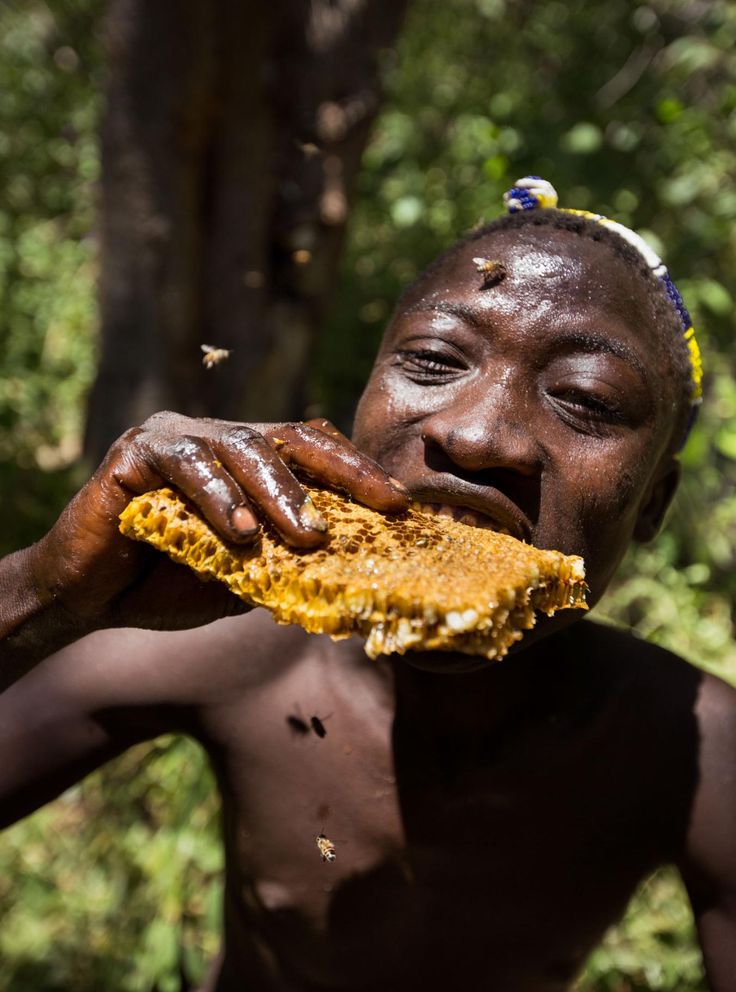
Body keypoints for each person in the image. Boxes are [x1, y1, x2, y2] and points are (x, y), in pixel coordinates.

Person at [1, 178, 734, 992]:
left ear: (653, 505)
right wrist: (44, 591)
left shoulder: (691, 747)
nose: (476, 433)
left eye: (585, 398)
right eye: (432, 360)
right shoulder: (237, 650)